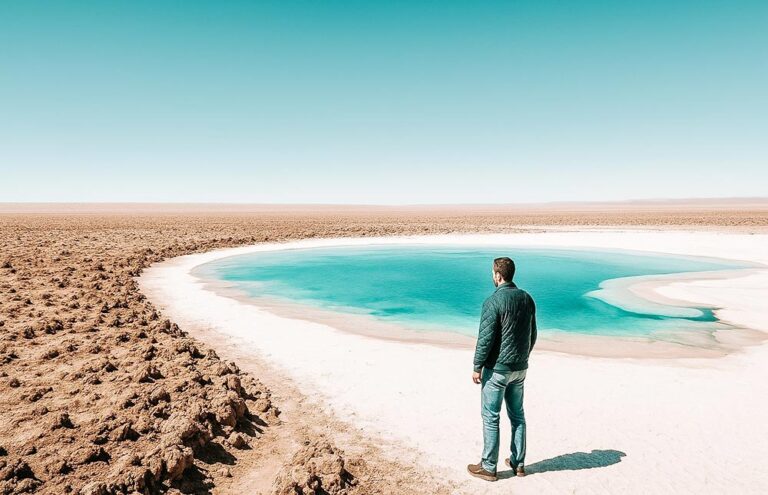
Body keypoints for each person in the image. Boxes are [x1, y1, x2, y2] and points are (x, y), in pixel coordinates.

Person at [467, 257, 537, 482]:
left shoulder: (492, 302)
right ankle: (518, 463)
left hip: (497, 370)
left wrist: (477, 366)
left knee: (491, 417)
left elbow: (485, 339)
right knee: (517, 415)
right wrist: (523, 357)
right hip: (520, 368)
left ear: (498, 276)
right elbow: (532, 334)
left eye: (492, 273)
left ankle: (489, 467)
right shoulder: (527, 298)